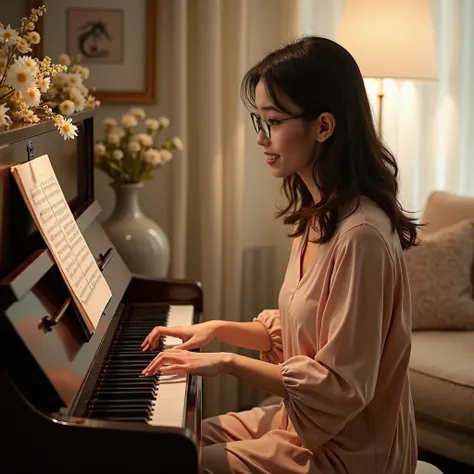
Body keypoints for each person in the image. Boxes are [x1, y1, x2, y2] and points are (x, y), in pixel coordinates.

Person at [141, 35, 419, 474]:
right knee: (162, 444)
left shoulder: (361, 235)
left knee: (174, 462)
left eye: (272, 121)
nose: (260, 138)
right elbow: (302, 335)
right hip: (303, 425)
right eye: (259, 120)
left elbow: (342, 386)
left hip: (349, 453)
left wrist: (226, 362)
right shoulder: (322, 212)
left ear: (324, 126)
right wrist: (218, 329)